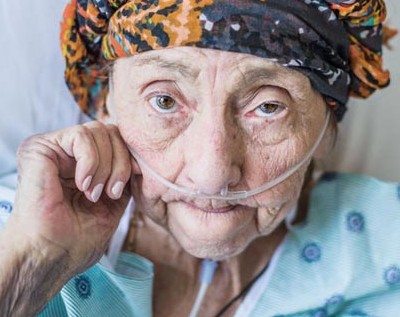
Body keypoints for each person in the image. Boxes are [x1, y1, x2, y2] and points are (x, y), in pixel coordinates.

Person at [0, 0, 399, 316]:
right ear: (106, 108)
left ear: (326, 129)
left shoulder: (381, 245)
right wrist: (28, 267)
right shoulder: (22, 224)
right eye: (164, 100)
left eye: (268, 107)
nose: (211, 175)